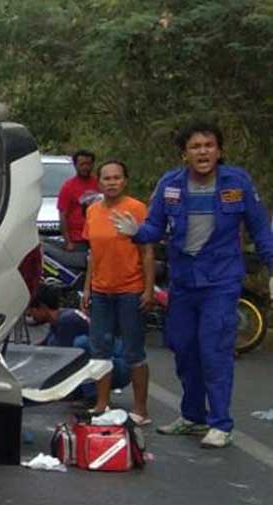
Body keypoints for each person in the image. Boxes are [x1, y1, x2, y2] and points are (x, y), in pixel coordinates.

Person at [113, 123, 273, 448]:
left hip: (221, 280)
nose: (203, 152)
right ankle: (192, 417)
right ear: (184, 153)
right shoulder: (170, 185)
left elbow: (260, 229)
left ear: (219, 151)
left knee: (213, 349)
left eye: (209, 145)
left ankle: (220, 424)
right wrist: (136, 232)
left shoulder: (237, 182)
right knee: (184, 348)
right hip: (183, 282)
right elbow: (154, 227)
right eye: (196, 147)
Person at [80, 161, 153, 423]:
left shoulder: (136, 208)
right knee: (100, 349)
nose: (111, 182)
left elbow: (147, 251)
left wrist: (148, 289)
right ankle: (102, 404)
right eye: (106, 178)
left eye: (117, 178)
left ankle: (140, 409)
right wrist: (86, 288)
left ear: (125, 181)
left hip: (130, 290)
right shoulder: (92, 211)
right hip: (100, 291)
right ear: (99, 182)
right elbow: (92, 254)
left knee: (134, 351)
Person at [27, 285, 129, 400]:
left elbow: (58, 362)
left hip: (120, 366)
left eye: (32, 311)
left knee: (80, 345)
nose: (31, 316)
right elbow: (44, 347)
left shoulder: (67, 321)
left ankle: (92, 396)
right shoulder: (60, 318)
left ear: (42, 307)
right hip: (112, 363)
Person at [57, 149, 100, 251]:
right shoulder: (68, 187)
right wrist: (68, 241)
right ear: (75, 165)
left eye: (88, 164)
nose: (85, 167)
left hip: (97, 237)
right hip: (77, 239)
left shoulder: (100, 184)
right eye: (82, 164)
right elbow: (63, 216)